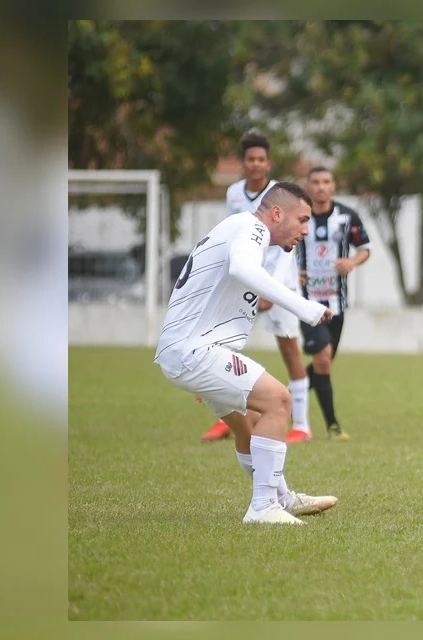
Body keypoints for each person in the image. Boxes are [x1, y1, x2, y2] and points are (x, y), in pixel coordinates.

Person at [155, 182, 339, 524]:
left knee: (251, 423)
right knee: (279, 400)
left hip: (190, 349)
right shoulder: (251, 228)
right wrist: (304, 307)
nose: (305, 230)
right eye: (302, 219)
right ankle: (263, 507)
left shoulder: (240, 229)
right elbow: (242, 269)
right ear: (277, 213)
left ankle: (281, 498)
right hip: (195, 350)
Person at [201, 132, 314, 444]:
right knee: (223, 345)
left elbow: (285, 247)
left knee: (289, 348)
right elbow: (233, 235)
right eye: (250, 159)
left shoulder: (281, 195)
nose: (255, 164)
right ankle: (227, 418)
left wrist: (269, 288)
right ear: (243, 163)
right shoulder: (234, 193)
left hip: (278, 282)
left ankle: (302, 425)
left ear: (268, 163)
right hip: (245, 278)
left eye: (261, 159)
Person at [297, 166, 372, 441]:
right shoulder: (297, 215)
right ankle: (333, 426)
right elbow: (277, 248)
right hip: (306, 303)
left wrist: (352, 262)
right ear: (307, 185)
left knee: (323, 364)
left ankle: (286, 395)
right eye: (315, 182)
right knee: (323, 359)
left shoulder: (346, 216)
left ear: (333, 186)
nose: (320, 187)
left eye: (326, 182)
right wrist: (293, 271)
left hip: (337, 303)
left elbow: (365, 248)